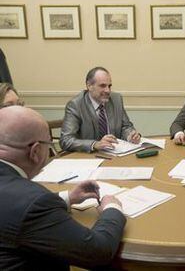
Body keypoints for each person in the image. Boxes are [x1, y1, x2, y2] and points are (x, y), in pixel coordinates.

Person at [0, 106, 126, 270]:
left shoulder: (24, 200)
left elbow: (12, 210)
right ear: (35, 151)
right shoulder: (34, 202)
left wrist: (67, 197)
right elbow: (98, 251)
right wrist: (112, 208)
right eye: (49, 145)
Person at [60, 67, 141, 152]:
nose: (107, 90)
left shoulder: (116, 99)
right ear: (89, 86)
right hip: (88, 157)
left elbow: (126, 126)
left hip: (115, 154)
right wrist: (95, 144)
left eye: (109, 86)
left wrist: (130, 135)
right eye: (102, 86)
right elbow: (66, 140)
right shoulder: (75, 105)